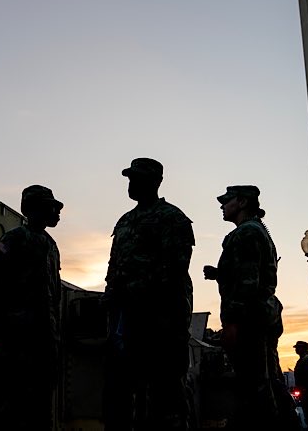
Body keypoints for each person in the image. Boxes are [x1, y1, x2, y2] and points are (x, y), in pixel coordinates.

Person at [103, 158, 195, 430]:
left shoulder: (172, 218)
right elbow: (114, 264)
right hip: (127, 324)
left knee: (166, 397)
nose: (130, 184)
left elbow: (174, 270)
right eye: (129, 178)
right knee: (127, 397)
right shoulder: (125, 221)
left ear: (155, 182)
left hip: (161, 323)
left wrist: (130, 293)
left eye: (136, 178)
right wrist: (112, 294)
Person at [0, 185, 64, 429]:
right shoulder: (14, 239)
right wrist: (5, 333)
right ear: (33, 209)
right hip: (18, 343)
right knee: (14, 407)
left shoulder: (51, 245)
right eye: (50, 206)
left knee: (41, 408)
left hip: (45, 342)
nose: (56, 211)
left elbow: (54, 293)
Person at [203, 185, 284, 429]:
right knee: (264, 382)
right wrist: (221, 274)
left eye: (227, 201)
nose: (222, 206)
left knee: (253, 386)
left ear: (242, 202)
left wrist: (233, 324)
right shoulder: (256, 231)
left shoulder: (246, 233)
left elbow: (249, 283)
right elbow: (249, 273)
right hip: (258, 316)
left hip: (248, 320)